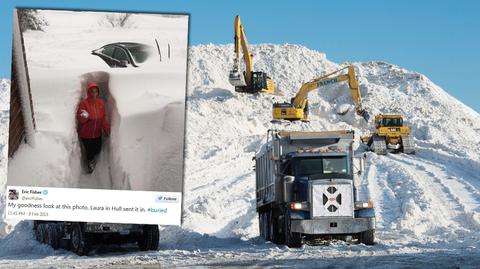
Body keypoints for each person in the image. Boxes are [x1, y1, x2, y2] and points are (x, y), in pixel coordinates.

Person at [77, 82, 110, 173]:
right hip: (86, 135)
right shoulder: (84, 104)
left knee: (97, 150)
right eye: (92, 91)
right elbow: (80, 119)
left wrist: (107, 129)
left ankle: (95, 162)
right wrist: (85, 116)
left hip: (97, 134)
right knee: (90, 152)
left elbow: (103, 118)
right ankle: (90, 163)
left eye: (96, 91)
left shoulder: (100, 103)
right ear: (88, 92)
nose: (94, 93)